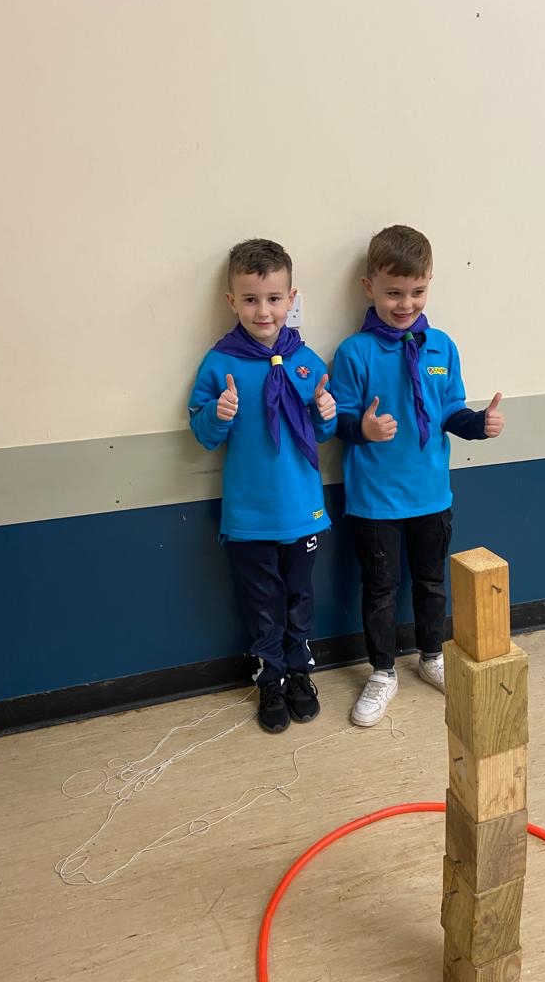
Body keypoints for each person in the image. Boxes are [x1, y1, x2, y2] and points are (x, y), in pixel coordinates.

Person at [331, 225, 505, 726]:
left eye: (417, 291)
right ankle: (382, 672)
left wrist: (479, 425)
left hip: (430, 495)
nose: (405, 303)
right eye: (393, 293)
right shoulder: (354, 353)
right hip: (375, 500)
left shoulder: (441, 347)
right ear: (369, 287)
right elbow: (337, 420)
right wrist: (362, 428)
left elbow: (450, 410)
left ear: (429, 284)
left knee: (431, 583)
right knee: (379, 589)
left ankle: (431, 656)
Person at [189, 239, 337, 733]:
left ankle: (300, 673)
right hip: (250, 515)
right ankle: (270, 677)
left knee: (300, 598)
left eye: (274, 298)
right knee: (262, 604)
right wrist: (218, 413)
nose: (263, 311)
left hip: (302, 509)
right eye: (250, 300)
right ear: (231, 301)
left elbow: (323, 431)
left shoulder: (306, 360)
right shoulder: (219, 364)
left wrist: (327, 413)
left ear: (291, 298)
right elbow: (203, 433)